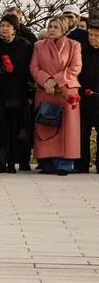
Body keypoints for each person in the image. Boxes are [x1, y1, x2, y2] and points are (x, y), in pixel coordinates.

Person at [31, 15, 83, 175]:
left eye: (55, 27)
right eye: (50, 26)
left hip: (65, 91)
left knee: (66, 128)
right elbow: (34, 67)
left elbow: (75, 67)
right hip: (45, 90)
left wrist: (55, 81)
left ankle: (64, 164)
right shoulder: (39, 45)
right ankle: (47, 163)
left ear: (63, 29)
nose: (52, 30)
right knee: (45, 125)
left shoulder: (74, 45)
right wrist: (46, 81)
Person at [0, 14, 34, 174]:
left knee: (15, 129)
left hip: (18, 93)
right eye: (2, 25)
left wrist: (29, 94)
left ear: (14, 29)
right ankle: (0, 161)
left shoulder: (24, 45)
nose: (4, 29)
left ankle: (12, 162)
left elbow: (28, 71)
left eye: (8, 26)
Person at [78, 21, 99, 173]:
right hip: (84, 97)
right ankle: (82, 164)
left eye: (97, 36)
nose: (93, 38)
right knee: (83, 132)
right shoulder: (82, 51)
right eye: (91, 35)